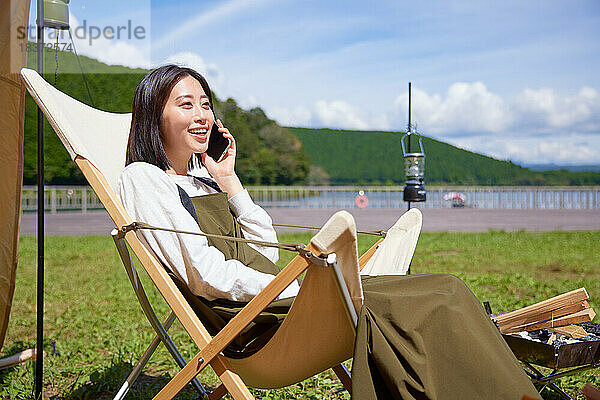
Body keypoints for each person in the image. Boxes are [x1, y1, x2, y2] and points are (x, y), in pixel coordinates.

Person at [118, 65, 539, 399]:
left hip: (268, 303)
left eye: (206, 104)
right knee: (441, 294)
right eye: (186, 104)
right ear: (155, 114)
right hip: (250, 323)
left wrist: (230, 182)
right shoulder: (144, 178)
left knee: (442, 292)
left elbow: (262, 252)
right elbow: (205, 274)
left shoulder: (205, 181)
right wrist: (296, 292)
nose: (202, 115)